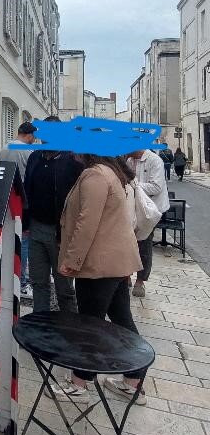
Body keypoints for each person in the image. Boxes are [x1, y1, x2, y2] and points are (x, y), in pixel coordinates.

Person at [50, 154, 146, 405]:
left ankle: (79, 383)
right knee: (122, 320)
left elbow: (86, 222)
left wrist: (71, 260)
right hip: (115, 262)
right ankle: (133, 382)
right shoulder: (110, 171)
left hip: (99, 264)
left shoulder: (94, 175)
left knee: (89, 325)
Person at [23, 117, 83, 313]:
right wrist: (25, 225)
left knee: (64, 288)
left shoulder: (73, 161)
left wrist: (69, 234)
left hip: (61, 233)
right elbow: (27, 191)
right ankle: (40, 326)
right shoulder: (34, 158)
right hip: (36, 230)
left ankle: (69, 331)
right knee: (39, 282)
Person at [0, 121, 37, 299]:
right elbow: (33, 178)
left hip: (4, 200)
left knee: (7, 239)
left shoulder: (4, 149)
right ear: (29, 135)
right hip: (24, 202)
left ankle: (5, 277)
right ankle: (21, 282)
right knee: (24, 241)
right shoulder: (29, 152)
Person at [127, 147, 170, 294]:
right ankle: (127, 274)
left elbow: (156, 187)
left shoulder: (154, 160)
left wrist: (134, 185)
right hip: (135, 208)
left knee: (144, 243)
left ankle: (140, 281)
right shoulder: (129, 160)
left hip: (152, 210)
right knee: (128, 241)